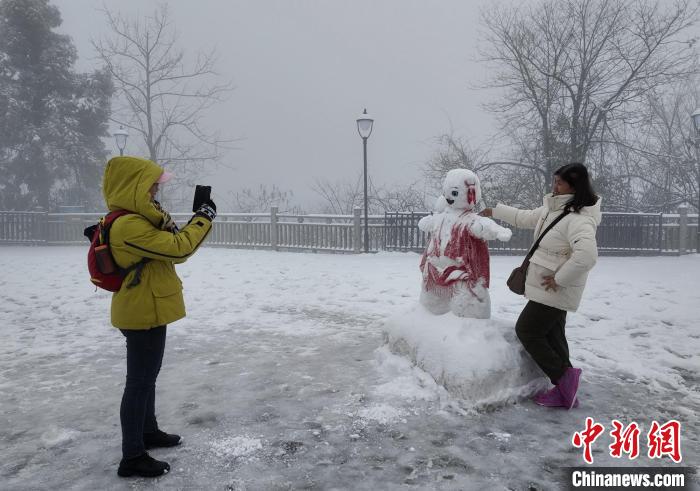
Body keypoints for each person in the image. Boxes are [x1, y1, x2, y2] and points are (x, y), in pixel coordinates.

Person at [101, 156, 217, 477]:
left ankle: (147, 432)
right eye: (151, 183)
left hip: (148, 306)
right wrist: (203, 218)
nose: (155, 189)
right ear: (134, 185)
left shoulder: (140, 218)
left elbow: (171, 247)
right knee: (138, 383)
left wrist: (172, 218)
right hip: (142, 311)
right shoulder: (128, 225)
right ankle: (133, 456)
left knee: (146, 379)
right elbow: (179, 248)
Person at [480, 162, 601, 409]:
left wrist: (559, 278)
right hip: (548, 288)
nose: (554, 186)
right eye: (554, 181)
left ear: (574, 186)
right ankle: (566, 385)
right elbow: (524, 217)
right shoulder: (553, 209)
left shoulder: (579, 219)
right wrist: (494, 211)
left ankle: (563, 378)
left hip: (554, 288)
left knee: (527, 330)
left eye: (559, 182)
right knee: (553, 333)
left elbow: (586, 256)